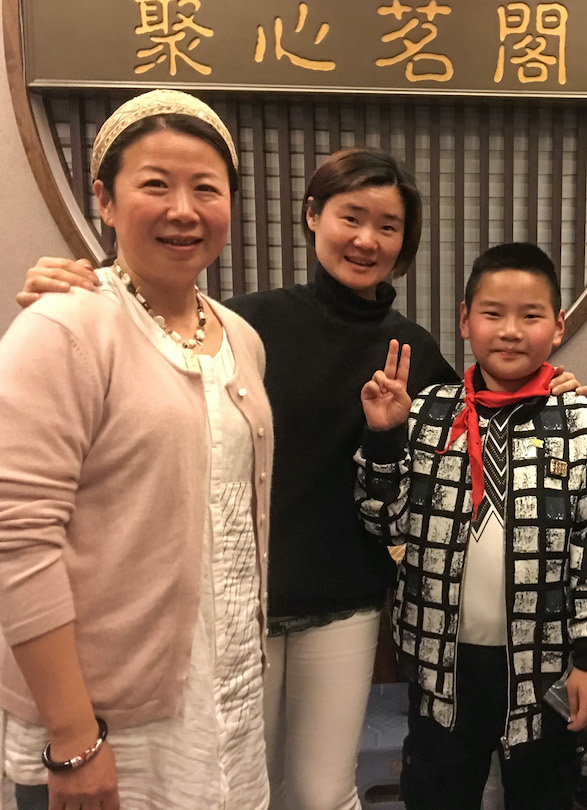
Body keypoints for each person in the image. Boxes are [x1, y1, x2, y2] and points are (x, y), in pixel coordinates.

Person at [18, 150, 587, 810]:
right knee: (236, 785)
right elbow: (145, 341)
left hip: (344, 602)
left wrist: (552, 395)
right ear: (313, 215)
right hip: (235, 601)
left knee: (322, 792)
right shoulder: (242, 324)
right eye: (351, 216)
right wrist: (71, 286)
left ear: (405, 244)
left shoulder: (416, 350)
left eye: (389, 226)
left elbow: (461, 442)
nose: (367, 240)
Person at [0, 89, 274, 809]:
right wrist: (73, 736)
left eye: (206, 188)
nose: (184, 209)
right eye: (155, 184)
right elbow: (19, 539)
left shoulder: (240, 339)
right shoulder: (62, 328)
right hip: (107, 721)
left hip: (224, 702)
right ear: (106, 199)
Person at [354, 242, 587, 810]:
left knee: (542, 794)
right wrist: (383, 438)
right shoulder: (428, 413)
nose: (509, 330)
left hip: (545, 663)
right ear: (464, 319)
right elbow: (385, 522)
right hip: (440, 666)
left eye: (530, 316)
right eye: (493, 313)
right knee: (436, 792)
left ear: (558, 325)